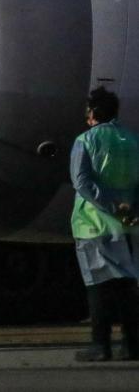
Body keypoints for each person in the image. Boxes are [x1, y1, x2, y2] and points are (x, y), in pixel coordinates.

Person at [70, 86, 139, 361]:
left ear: (93, 113)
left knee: (98, 283)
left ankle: (101, 345)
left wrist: (108, 205)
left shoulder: (85, 140)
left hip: (93, 222)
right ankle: (133, 343)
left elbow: (82, 182)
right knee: (126, 284)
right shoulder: (132, 140)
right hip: (127, 222)